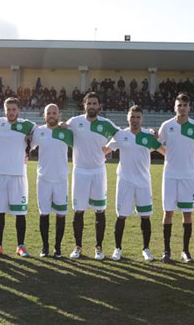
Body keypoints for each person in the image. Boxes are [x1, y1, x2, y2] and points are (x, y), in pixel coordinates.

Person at [104, 105, 163, 261]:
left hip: (143, 182)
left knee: (145, 216)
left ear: (141, 119)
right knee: (121, 216)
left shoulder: (148, 136)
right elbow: (105, 150)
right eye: (132, 117)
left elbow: (165, 150)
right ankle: (117, 248)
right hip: (125, 181)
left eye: (138, 117)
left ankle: (146, 249)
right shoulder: (120, 135)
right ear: (127, 118)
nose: (135, 120)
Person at [65, 92, 119, 260]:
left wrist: (109, 148)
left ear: (99, 106)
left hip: (98, 172)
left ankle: (99, 248)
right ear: (84, 105)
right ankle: (78, 247)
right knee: (78, 211)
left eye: (95, 103)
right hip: (80, 171)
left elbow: (121, 136)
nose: (92, 106)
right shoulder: (75, 122)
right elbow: (62, 128)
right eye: (89, 103)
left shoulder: (106, 124)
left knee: (99, 211)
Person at [157, 94, 194, 263]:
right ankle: (166, 251)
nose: (182, 108)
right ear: (175, 107)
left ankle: (185, 251)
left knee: (187, 214)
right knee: (168, 212)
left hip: (189, 175)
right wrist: (167, 152)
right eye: (179, 105)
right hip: (170, 175)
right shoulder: (167, 125)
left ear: (189, 107)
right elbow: (157, 143)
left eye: (185, 105)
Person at [0, 97, 36, 258]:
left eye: (14, 109)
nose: (11, 112)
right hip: (1, 175)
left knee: (20, 213)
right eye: (8, 109)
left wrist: (29, 144)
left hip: (18, 175)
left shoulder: (27, 125)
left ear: (19, 111)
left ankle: (20, 246)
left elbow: (38, 131)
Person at [30, 104, 73, 258]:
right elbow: (27, 147)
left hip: (61, 179)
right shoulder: (39, 132)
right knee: (44, 214)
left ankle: (57, 248)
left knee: (61, 214)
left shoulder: (66, 132)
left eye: (54, 112)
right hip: (44, 179)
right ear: (44, 115)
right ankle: (45, 247)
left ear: (59, 115)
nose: (52, 115)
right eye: (49, 113)